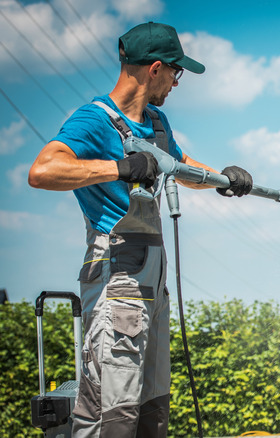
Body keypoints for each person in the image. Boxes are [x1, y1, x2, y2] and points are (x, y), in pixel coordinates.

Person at [28, 22, 252, 437]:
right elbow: (42, 171)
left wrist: (223, 179)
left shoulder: (157, 122)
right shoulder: (94, 121)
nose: (176, 82)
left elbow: (182, 167)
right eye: (176, 72)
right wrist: (119, 167)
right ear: (155, 69)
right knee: (111, 413)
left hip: (154, 280)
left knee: (151, 407)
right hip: (118, 278)